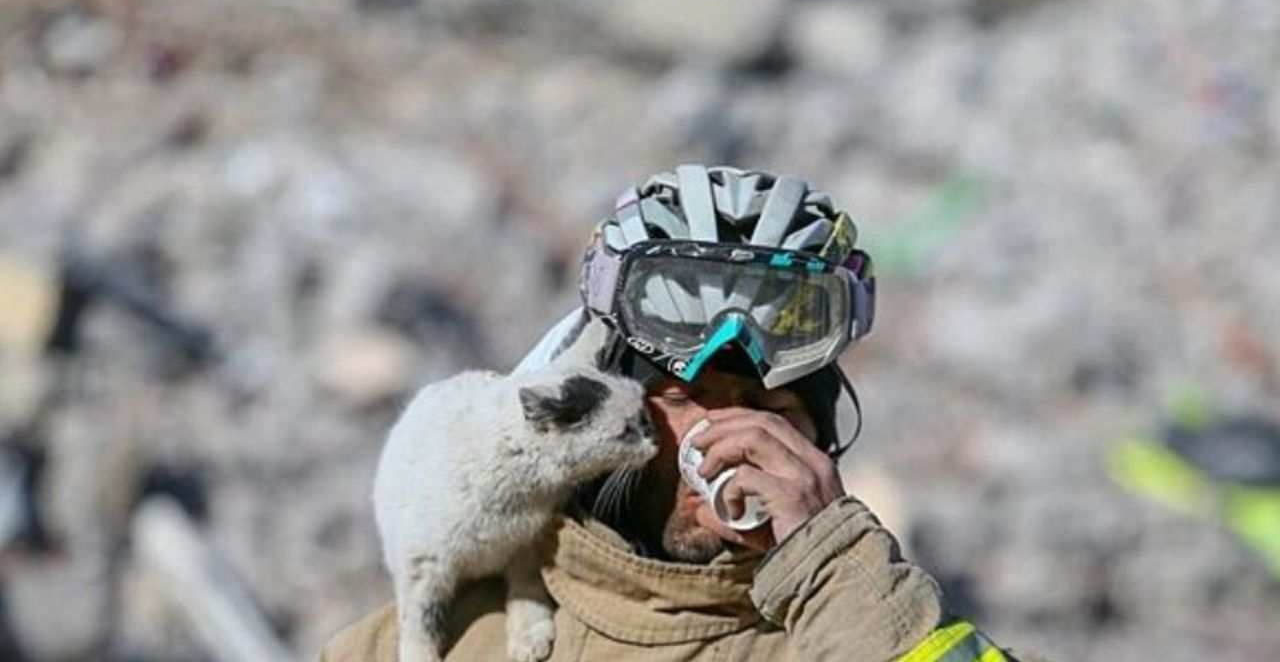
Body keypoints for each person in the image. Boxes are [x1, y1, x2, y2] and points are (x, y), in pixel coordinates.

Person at [323, 165, 1036, 661]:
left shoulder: (870, 631)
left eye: (772, 409)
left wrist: (836, 568)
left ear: (821, 442)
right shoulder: (430, 646)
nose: (729, 439)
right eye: (677, 399)